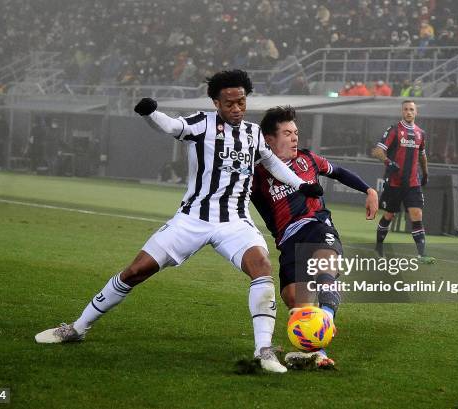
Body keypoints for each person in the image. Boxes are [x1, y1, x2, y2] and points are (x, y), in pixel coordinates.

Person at [34, 70, 324, 374]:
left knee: (261, 268)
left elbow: (272, 162)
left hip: (235, 222)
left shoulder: (253, 133)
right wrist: (150, 113)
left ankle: (264, 351)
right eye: (229, 103)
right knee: (135, 271)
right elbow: (173, 126)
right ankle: (77, 328)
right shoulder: (202, 123)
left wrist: (301, 185)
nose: (237, 108)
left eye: (241, 101)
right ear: (216, 102)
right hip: (192, 219)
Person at [251, 106, 378, 368]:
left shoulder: (308, 159)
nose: (295, 137)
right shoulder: (256, 174)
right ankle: (309, 350)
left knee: (325, 273)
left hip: (318, 226)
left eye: (296, 132)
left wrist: (369, 190)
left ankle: (325, 328)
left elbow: (339, 172)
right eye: (287, 133)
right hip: (288, 241)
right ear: (269, 139)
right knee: (295, 301)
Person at [371, 100, 435, 264]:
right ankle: (379, 246)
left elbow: (422, 155)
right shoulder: (394, 130)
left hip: (413, 183)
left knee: (417, 214)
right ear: (402, 112)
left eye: (411, 110)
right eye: (406, 109)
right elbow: (377, 151)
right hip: (395, 182)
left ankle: (422, 254)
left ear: (416, 112)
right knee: (389, 215)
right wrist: (388, 162)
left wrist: (426, 173)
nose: (408, 112)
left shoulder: (421, 133)